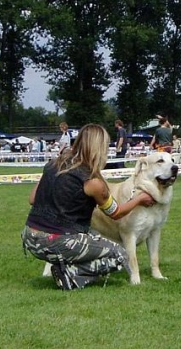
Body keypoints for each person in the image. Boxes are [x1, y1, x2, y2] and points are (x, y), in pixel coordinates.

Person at [21, 124, 156, 290]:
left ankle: (64, 266)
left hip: (30, 237)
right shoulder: (93, 182)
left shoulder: (52, 165)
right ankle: (69, 274)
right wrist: (140, 199)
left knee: (92, 237)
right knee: (120, 254)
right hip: (58, 241)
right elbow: (116, 213)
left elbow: (33, 199)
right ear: (100, 148)